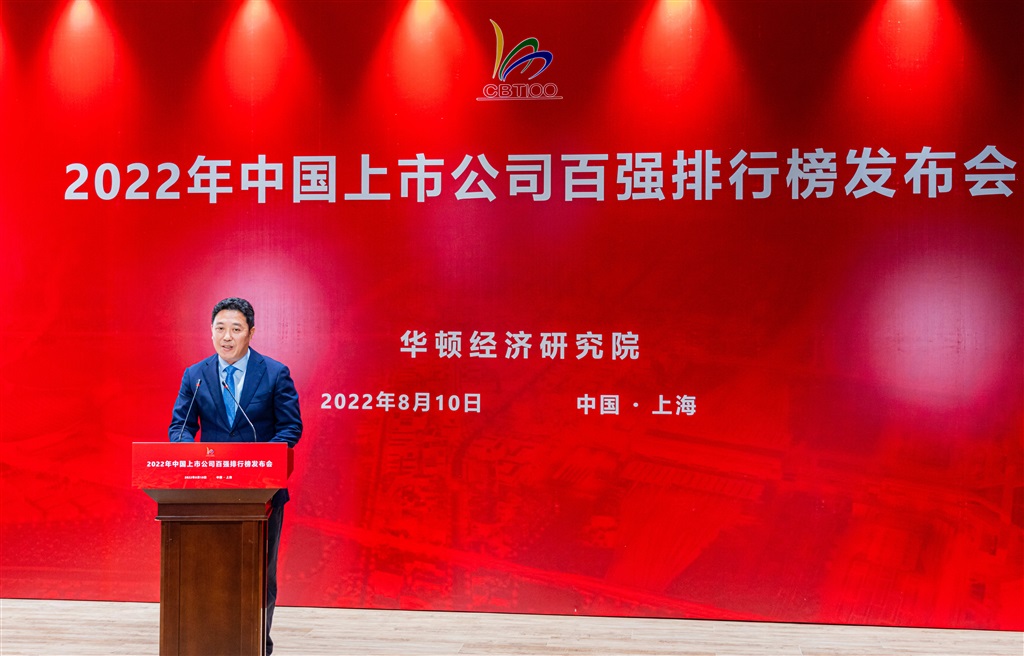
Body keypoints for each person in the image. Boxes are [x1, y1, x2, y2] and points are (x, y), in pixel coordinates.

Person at [168, 297, 302, 655]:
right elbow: (180, 427)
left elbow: (290, 428)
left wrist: (261, 461)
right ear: (211, 332)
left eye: (236, 329)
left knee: (260, 573)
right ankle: (208, 641)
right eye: (220, 328)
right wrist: (190, 453)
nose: (226, 337)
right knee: (211, 569)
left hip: (262, 494)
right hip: (209, 492)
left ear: (251, 333)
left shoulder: (274, 373)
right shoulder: (195, 376)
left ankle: (258, 643)